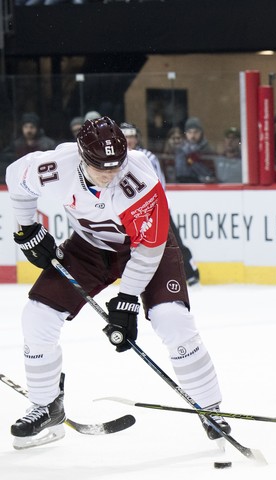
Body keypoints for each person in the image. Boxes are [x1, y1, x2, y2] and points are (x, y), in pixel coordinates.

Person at [4, 116, 229, 448]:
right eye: (100, 168)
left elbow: (149, 248)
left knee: (172, 320)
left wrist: (126, 300)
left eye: (116, 166)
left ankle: (210, 408)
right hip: (89, 247)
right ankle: (45, 404)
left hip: (147, 248)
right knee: (37, 315)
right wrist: (27, 230)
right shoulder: (55, 167)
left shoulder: (139, 179)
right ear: (82, 157)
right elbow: (15, 177)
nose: (110, 174)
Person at [121, 122, 201, 286]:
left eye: (132, 136)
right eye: (125, 136)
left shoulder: (147, 157)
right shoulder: (116, 160)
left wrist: (158, 206)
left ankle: (190, 272)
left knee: (173, 241)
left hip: (156, 208)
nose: (129, 140)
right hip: (131, 211)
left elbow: (160, 183)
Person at [175, 117, 217, 183]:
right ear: (185, 134)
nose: (192, 135)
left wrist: (191, 161)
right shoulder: (181, 150)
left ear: (201, 133)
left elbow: (210, 174)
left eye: (196, 132)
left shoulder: (208, 150)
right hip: (184, 187)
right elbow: (180, 174)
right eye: (189, 132)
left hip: (203, 187)